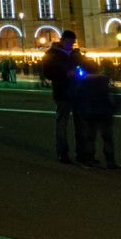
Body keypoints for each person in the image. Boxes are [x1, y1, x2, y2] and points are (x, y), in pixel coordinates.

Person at [73, 58, 121, 169]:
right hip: (105, 112)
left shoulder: (83, 81)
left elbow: (78, 97)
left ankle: (89, 161)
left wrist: (81, 111)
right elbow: (116, 95)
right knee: (108, 138)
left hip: (90, 112)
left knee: (90, 138)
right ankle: (111, 162)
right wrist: (113, 108)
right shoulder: (105, 79)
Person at [43, 30, 80, 164]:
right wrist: (65, 73)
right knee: (62, 123)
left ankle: (81, 153)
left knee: (80, 124)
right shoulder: (51, 54)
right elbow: (47, 73)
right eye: (69, 43)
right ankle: (62, 152)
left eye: (73, 44)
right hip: (62, 92)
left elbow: (84, 66)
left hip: (78, 92)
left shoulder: (75, 53)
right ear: (62, 40)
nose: (71, 46)